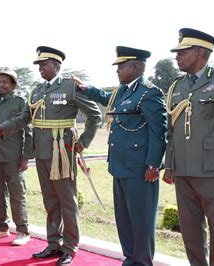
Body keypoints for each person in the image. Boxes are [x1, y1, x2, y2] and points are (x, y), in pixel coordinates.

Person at [0, 46, 102, 265]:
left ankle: (70, 247)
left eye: (44, 65)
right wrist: (1, 127)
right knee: (50, 200)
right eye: (39, 65)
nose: (40, 68)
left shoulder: (71, 87)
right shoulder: (37, 91)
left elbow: (95, 115)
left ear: (56, 65)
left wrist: (83, 142)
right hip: (42, 153)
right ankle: (54, 243)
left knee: (66, 201)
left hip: (62, 152)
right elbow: (24, 119)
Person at [72, 46, 168, 266]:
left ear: (135, 67)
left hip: (140, 168)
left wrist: (154, 164)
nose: (117, 70)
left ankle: (142, 262)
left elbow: (159, 131)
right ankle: (130, 258)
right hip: (119, 165)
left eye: (121, 66)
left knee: (141, 220)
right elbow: (107, 98)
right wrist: (87, 89)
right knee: (124, 220)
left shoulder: (149, 92)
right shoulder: (122, 91)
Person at [162, 28, 214, 266]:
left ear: (201, 53)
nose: (177, 56)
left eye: (183, 52)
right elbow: (172, 130)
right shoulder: (176, 86)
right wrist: (169, 165)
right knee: (190, 229)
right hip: (183, 168)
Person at [0, 68, 33, 246]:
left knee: (17, 194)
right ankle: (1, 228)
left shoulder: (21, 103)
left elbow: (29, 131)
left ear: (13, 84)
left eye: (5, 82)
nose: (1, 85)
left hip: (14, 156)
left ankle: (23, 231)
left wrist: (26, 157)